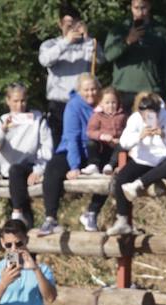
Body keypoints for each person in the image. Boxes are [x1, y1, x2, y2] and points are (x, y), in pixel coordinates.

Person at [104, 92, 166, 236]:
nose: (146, 118)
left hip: (163, 160)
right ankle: (122, 220)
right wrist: (139, 136)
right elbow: (124, 142)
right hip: (143, 159)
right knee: (121, 178)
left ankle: (138, 184)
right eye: (143, 114)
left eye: (150, 114)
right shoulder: (135, 118)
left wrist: (164, 135)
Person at [38, 73, 107, 236]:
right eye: (86, 90)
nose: (91, 93)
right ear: (79, 91)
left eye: (93, 89)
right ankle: (50, 217)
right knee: (53, 169)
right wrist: (74, 166)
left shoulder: (104, 104)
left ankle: (92, 212)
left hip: (96, 151)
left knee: (109, 174)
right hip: (73, 150)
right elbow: (72, 137)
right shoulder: (74, 106)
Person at [0, 84, 54, 225]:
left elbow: (47, 148)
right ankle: (22, 223)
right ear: (8, 101)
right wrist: (3, 130)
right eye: (15, 101)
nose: (19, 105)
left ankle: (18, 213)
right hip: (10, 171)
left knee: (17, 173)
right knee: (15, 173)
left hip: (31, 167)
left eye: (22, 101)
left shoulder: (38, 119)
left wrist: (38, 170)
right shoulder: (0, 121)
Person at [39, 5, 98, 141]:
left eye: (75, 25)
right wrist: (66, 42)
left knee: (82, 140)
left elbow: (100, 59)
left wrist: (87, 39)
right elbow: (44, 60)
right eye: (68, 25)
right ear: (60, 24)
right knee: (58, 141)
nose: (71, 29)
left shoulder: (89, 43)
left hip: (82, 102)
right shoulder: (50, 44)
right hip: (59, 103)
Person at [106, 0, 166, 105]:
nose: (140, 12)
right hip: (123, 90)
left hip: (151, 90)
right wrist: (127, 41)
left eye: (143, 7)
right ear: (131, 7)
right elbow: (109, 56)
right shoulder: (119, 30)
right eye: (136, 8)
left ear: (149, 6)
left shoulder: (161, 32)